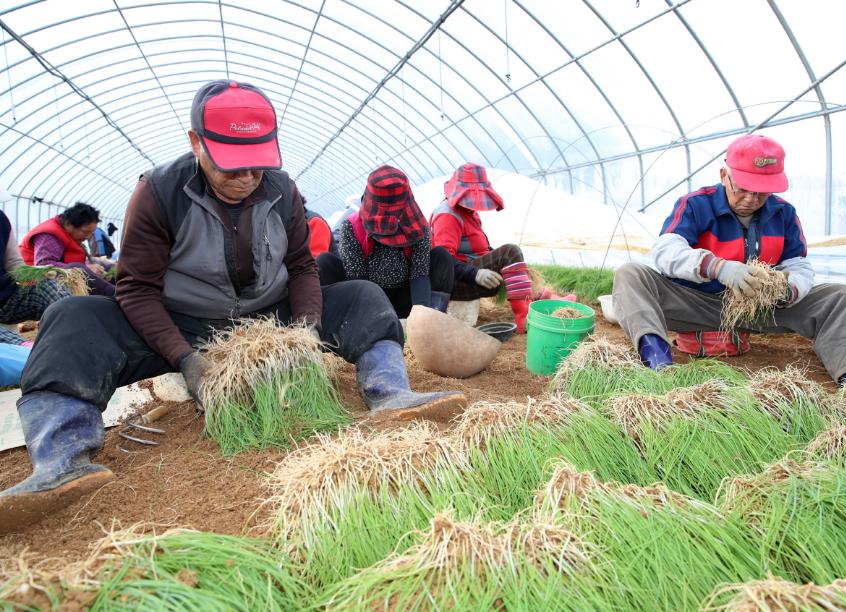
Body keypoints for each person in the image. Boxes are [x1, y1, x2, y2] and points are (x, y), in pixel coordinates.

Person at [0, 79, 466, 532]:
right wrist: (185, 358)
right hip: (183, 325)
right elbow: (136, 288)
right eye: (231, 168)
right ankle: (60, 460)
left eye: (256, 167)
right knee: (71, 319)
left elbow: (303, 265)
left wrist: (302, 331)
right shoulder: (159, 192)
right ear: (196, 143)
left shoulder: (283, 190)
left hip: (269, 320)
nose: (245, 180)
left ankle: (389, 394)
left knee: (362, 295)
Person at [612, 133, 846, 383]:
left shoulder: (784, 213)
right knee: (631, 275)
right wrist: (717, 267)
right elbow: (665, 252)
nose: (751, 198)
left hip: (759, 307)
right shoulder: (696, 205)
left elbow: (798, 265)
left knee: (839, 296)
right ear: (724, 176)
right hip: (696, 304)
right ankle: (657, 360)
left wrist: (788, 289)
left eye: (761, 191)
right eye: (743, 188)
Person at [430, 163, 572, 334]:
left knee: (514, 265)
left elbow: (478, 250)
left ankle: (548, 301)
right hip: (458, 284)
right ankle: (523, 318)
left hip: (471, 275)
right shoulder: (447, 215)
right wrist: (476, 273)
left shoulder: (467, 211)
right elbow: (442, 263)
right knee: (510, 252)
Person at [317, 165, 455, 315]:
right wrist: (379, 320)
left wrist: (420, 316)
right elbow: (358, 281)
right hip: (366, 296)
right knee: (324, 262)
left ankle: (434, 319)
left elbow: (419, 273)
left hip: (405, 295)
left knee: (441, 256)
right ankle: (338, 326)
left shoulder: (417, 224)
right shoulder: (351, 227)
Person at [0, 208, 70, 383]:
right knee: (24, 352)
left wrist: (41, 273)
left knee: (52, 287)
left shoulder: (1, 220)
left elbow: (15, 265)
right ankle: (31, 353)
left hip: (7, 299)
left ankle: (72, 340)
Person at [19, 202, 115, 296]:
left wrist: (98, 265)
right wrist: (85, 268)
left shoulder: (68, 234)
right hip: (36, 284)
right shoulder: (49, 235)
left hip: (63, 278)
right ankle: (115, 293)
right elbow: (43, 265)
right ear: (69, 224)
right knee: (79, 269)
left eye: (91, 233)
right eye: (85, 232)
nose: (88, 237)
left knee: (108, 268)